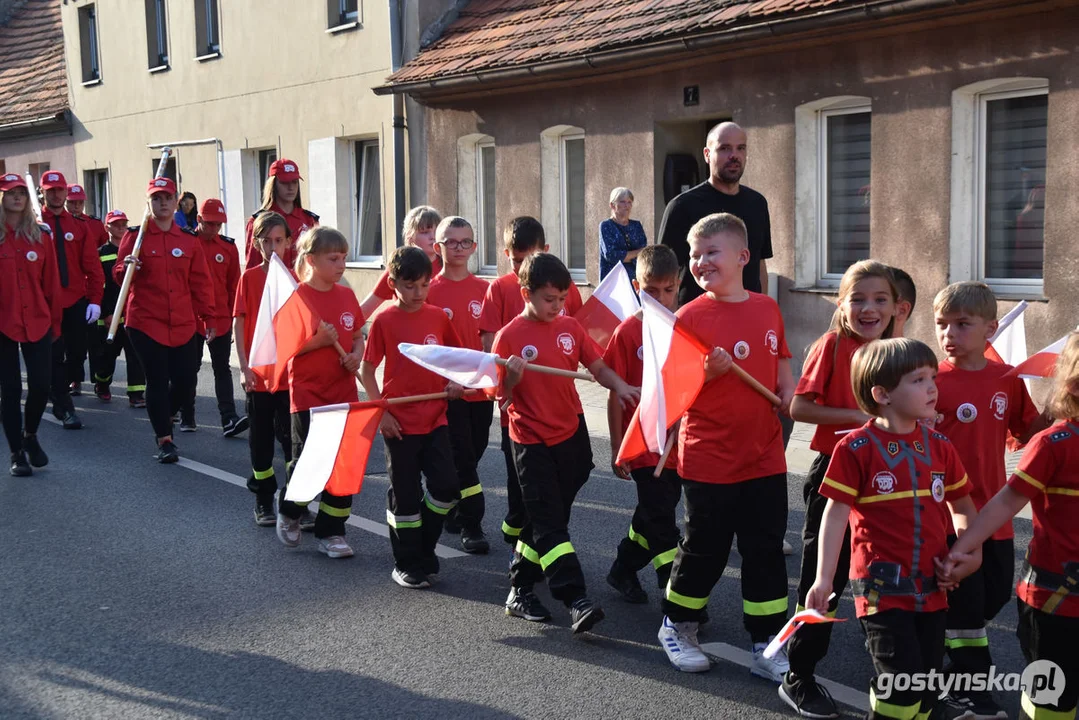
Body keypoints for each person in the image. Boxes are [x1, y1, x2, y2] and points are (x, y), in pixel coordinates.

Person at [806, 338, 977, 720]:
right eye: (918, 380)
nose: (932, 387)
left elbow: (963, 505)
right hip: (882, 588)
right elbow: (833, 516)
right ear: (882, 394)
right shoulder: (855, 448)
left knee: (926, 690)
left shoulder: (941, 446)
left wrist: (966, 552)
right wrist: (822, 579)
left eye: (932, 376)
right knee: (900, 686)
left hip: (933, 585)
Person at [657, 213, 794, 682]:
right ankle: (678, 625)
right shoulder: (688, 317)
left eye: (711, 252)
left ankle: (768, 641)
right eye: (694, 255)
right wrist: (706, 374)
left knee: (765, 550)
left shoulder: (767, 308)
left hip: (765, 455)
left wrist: (791, 397)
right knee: (705, 550)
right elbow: (671, 391)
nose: (700, 262)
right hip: (709, 457)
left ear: (743, 256)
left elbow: (781, 363)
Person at [495, 252, 638, 632]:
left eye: (562, 299)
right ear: (526, 293)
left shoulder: (571, 327)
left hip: (571, 435)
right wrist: (510, 378)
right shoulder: (508, 336)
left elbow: (598, 367)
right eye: (548, 299)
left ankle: (519, 584)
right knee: (551, 524)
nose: (556, 307)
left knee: (547, 518)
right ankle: (575, 599)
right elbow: (501, 396)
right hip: (530, 439)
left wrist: (621, 386)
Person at [940, 332, 1079, 720]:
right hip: (1056, 600)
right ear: (1075, 386)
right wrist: (964, 547)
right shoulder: (1054, 444)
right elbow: (1004, 502)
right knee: (1050, 697)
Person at [781, 259, 898, 718]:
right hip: (837, 473)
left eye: (879, 299)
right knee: (821, 579)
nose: (869, 309)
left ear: (895, 306)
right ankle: (799, 675)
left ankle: (900, 674)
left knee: (889, 578)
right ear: (841, 303)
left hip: (892, 479)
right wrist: (859, 419)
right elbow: (799, 407)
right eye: (858, 299)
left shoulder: (898, 350)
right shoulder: (832, 345)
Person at [932, 281, 1048, 717]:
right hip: (949, 518)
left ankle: (943, 657)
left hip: (995, 515)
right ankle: (970, 687)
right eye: (942, 324)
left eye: (962, 325)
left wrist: (1056, 414)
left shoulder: (1007, 379)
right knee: (964, 605)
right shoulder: (929, 378)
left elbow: (1030, 431)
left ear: (990, 329)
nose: (949, 334)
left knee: (993, 596)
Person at [361, 246, 465, 587]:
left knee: (447, 487)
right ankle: (406, 562)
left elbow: (455, 359)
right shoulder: (386, 320)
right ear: (392, 284)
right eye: (409, 286)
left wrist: (452, 382)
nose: (417, 293)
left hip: (436, 418)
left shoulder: (438, 317)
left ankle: (423, 546)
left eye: (423, 285)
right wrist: (381, 414)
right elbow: (367, 368)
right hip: (399, 424)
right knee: (405, 496)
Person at [478, 216, 584, 551]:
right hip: (519, 409)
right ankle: (521, 539)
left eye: (531, 258)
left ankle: (527, 537)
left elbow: (573, 338)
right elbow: (491, 345)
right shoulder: (499, 289)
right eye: (517, 260)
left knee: (558, 482)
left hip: (558, 406)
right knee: (523, 484)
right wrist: (505, 386)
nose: (525, 266)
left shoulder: (560, 289)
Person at [276, 227, 363, 558]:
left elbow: (356, 334)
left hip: (343, 393)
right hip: (309, 395)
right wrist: (318, 342)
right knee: (311, 463)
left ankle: (332, 532)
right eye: (333, 258)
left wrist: (356, 353)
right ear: (311, 260)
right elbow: (285, 349)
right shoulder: (296, 298)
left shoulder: (346, 295)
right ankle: (290, 511)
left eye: (343, 257)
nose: (341, 264)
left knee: (343, 464)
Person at [115, 177, 216, 464]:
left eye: (167, 198)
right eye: (156, 198)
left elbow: (200, 281)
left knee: (186, 380)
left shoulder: (187, 240)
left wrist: (208, 315)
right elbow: (120, 278)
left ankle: (165, 414)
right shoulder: (135, 239)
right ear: (149, 202)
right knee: (157, 379)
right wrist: (128, 267)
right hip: (146, 321)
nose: (162, 203)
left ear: (176, 202)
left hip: (183, 321)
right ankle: (164, 439)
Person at [605, 245, 682, 604]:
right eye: (651, 291)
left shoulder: (684, 329)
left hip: (676, 444)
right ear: (637, 286)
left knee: (650, 513)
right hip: (640, 445)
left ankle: (622, 568)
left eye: (668, 290)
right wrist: (616, 447)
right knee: (663, 519)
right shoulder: (626, 333)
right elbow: (614, 395)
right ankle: (675, 592)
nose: (661, 298)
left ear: (679, 286)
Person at [426, 216, 493, 554]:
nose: (458, 248)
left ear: (474, 247)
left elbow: (493, 341)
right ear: (438, 247)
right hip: (447, 392)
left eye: (464, 242)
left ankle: (446, 499)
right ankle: (472, 524)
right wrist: (445, 379)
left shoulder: (486, 290)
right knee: (464, 459)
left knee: (474, 451)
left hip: (480, 391)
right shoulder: (429, 291)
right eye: (450, 242)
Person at [658, 121, 773, 305]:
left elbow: (759, 265)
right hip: (698, 323)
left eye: (740, 148)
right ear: (707, 154)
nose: (734, 155)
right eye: (725, 148)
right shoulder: (682, 206)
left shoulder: (757, 203)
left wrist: (762, 309)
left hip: (746, 319)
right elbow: (664, 275)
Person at [235, 212, 300, 527]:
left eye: (279, 240)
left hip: (289, 378)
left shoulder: (296, 278)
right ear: (255, 242)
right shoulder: (249, 277)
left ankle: (293, 500)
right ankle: (263, 497)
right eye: (266, 241)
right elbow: (240, 321)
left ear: (289, 242)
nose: (273, 247)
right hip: (259, 377)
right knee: (260, 441)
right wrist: (244, 366)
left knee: (292, 442)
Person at [0, 173, 61, 476]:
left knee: (40, 386)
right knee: (9, 390)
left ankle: (30, 435)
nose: (17, 197)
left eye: (22, 192)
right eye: (10, 192)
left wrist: (56, 324)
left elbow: (51, 285)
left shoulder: (40, 236)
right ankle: (16, 454)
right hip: (3, 324)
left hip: (37, 320)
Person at [179, 198, 247, 437]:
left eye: (219, 224)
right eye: (210, 224)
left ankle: (229, 418)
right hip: (191, 319)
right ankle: (187, 414)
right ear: (199, 220)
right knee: (190, 367)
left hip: (220, 318)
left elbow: (234, 286)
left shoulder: (227, 248)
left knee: (222, 367)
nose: (215, 228)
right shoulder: (186, 243)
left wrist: (232, 317)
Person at [40, 171, 103, 425]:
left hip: (75, 300)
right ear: (43, 193)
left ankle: (59, 389)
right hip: (44, 302)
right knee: (54, 354)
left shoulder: (79, 226)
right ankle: (65, 407)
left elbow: (93, 267)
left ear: (66, 192)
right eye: (50, 190)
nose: (56, 195)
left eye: (60, 190)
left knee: (77, 353)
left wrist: (96, 300)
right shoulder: (32, 223)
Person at [90, 210, 146, 408]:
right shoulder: (100, 253)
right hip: (109, 315)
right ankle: (102, 384)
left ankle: (136, 394)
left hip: (131, 314)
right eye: (116, 224)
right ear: (107, 228)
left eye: (123, 223)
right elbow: (98, 286)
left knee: (135, 355)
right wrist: (105, 313)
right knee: (107, 357)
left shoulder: (135, 251)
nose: (121, 227)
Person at [359, 206, 442, 320]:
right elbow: (365, 310)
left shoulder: (448, 265)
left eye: (436, 231)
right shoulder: (399, 267)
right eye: (425, 232)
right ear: (410, 236)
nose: (433, 237)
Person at [243, 160, 319, 270]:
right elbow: (253, 265)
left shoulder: (309, 220)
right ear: (273, 185)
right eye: (284, 182)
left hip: (302, 284)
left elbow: (317, 261)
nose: (291, 187)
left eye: (294, 182)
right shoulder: (258, 221)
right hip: (271, 284)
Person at [599, 187, 648, 280]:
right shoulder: (606, 226)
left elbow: (644, 254)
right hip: (614, 281)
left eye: (629, 202)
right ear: (612, 205)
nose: (627, 205)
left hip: (635, 279)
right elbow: (611, 256)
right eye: (623, 202)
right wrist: (636, 253)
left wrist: (624, 256)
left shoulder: (636, 225)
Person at [65, 184, 108, 250]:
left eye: (81, 202)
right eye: (72, 202)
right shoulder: (59, 223)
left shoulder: (96, 224)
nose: (77, 206)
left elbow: (105, 249)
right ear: (65, 202)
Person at [891, 267, 916, 338]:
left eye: (880, 300)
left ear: (902, 310)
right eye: (858, 299)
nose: (867, 308)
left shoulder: (917, 349)